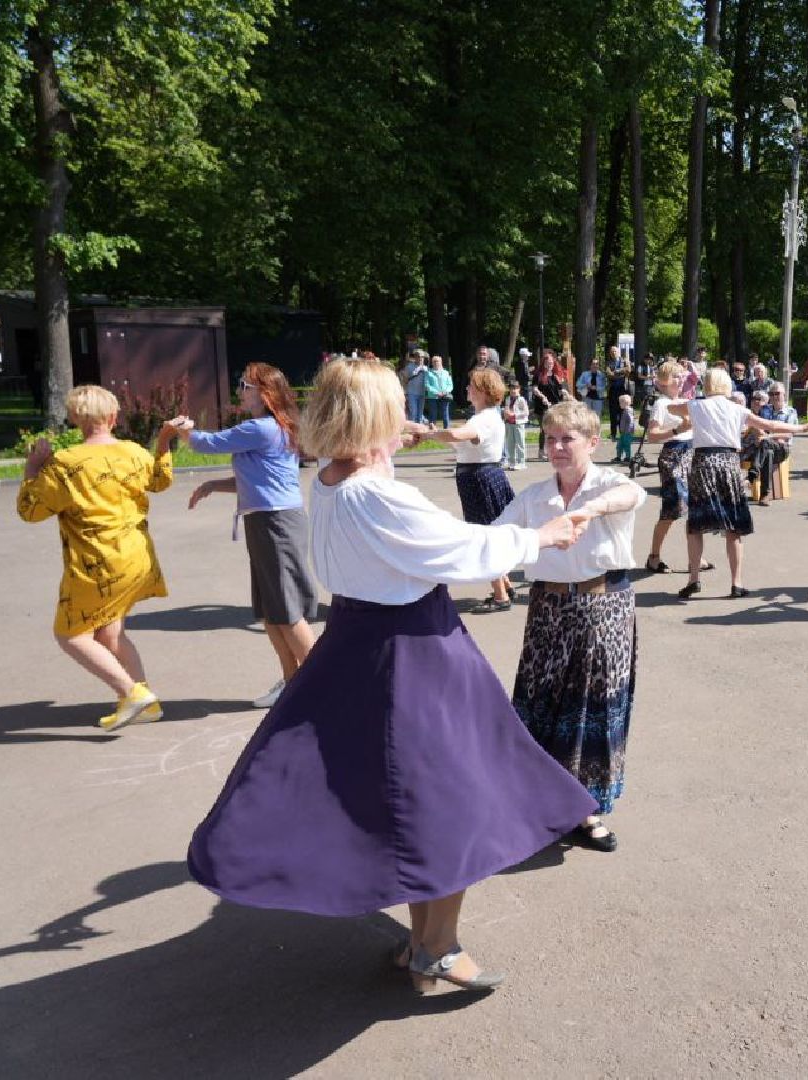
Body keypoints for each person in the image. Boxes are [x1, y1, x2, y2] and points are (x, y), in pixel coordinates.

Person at [187, 359, 595, 995]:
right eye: (392, 407)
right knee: (455, 800)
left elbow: (397, 514)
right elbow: (460, 550)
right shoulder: (375, 494)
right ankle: (438, 945)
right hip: (412, 651)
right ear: (372, 418)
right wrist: (539, 535)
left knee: (413, 805)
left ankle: (425, 942)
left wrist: (386, 443)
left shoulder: (331, 478)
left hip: (361, 645)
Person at [497, 400, 646, 854]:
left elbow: (633, 496)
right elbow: (496, 536)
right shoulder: (534, 496)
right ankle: (537, 801)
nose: (558, 447)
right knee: (539, 704)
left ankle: (586, 809)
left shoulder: (611, 485)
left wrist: (590, 508)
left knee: (590, 710)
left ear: (592, 442)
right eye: (551, 439)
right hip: (547, 609)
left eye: (568, 439)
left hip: (604, 606)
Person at [16, 386, 186, 731]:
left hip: (97, 565)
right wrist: (165, 441)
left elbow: (30, 511)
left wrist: (32, 469)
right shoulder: (134, 452)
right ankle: (146, 702)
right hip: (137, 559)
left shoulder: (65, 464)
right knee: (110, 634)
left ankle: (130, 692)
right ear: (113, 417)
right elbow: (161, 480)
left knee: (71, 635)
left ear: (76, 419)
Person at [180, 363, 319, 708]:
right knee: (272, 610)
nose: (240, 390)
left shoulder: (261, 428)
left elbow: (206, 443)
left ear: (265, 393)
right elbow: (258, 480)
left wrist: (183, 429)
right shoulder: (270, 429)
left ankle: (321, 683)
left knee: (286, 610)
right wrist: (215, 485)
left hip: (276, 524)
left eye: (245, 385)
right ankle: (291, 682)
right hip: (265, 521)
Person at [665, 367, 808, 599]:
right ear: (726, 385)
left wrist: (685, 400)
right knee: (734, 527)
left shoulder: (696, 405)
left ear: (706, 385)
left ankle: (694, 579)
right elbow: (770, 426)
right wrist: (802, 427)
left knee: (695, 525)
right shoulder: (736, 408)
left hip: (703, 464)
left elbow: (670, 407)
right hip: (728, 463)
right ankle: (736, 583)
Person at [420, 367, 516, 613]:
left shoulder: (482, 419)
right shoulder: (487, 416)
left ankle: (500, 596)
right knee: (492, 532)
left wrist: (430, 434)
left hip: (479, 478)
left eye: (471, 386)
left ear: (483, 391)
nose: (467, 389)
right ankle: (505, 583)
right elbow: (462, 445)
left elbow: (455, 434)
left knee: (484, 536)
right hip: (481, 475)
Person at [642, 361, 700, 574]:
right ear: (663, 382)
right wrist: (677, 430)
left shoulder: (686, 401)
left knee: (694, 509)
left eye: (680, 375)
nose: (679, 379)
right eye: (674, 376)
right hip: (672, 456)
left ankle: (696, 557)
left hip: (691, 454)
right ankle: (654, 556)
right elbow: (652, 436)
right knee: (672, 510)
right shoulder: (661, 404)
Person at [754, 382, 798, 503]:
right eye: (771, 394)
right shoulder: (765, 409)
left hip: (782, 449)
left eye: (777, 393)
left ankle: (755, 469)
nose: (774, 396)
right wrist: (761, 434)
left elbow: (788, 435)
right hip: (766, 448)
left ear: (784, 394)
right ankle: (765, 495)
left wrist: (768, 436)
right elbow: (757, 425)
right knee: (768, 452)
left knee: (766, 443)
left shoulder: (790, 412)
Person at [500, 375, 529, 470]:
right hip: (509, 423)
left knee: (520, 443)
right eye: (512, 389)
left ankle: (522, 462)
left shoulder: (521, 400)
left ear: (519, 389)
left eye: (515, 389)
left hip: (518, 423)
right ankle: (511, 461)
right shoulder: (508, 398)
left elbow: (526, 412)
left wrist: (514, 414)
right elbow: (507, 409)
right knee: (510, 443)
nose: (513, 391)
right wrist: (505, 413)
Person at [423, 355, 454, 429]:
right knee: (433, 414)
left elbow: (450, 385)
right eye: (434, 361)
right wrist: (437, 392)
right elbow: (427, 385)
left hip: (445, 396)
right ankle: (432, 431)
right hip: (432, 397)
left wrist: (445, 392)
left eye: (438, 361)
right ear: (432, 363)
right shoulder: (428, 373)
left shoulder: (446, 372)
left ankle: (447, 430)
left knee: (445, 414)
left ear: (441, 362)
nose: (436, 363)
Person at [402, 350, 429, 424]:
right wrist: (414, 374)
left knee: (420, 414)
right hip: (412, 393)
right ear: (415, 357)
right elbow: (404, 380)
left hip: (422, 393)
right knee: (413, 412)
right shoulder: (409, 367)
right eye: (418, 357)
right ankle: (412, 431)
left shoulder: (426, 368)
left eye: (422, 357)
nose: (420, 358)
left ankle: (419, 432)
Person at [611, 394, 637, 465]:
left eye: (620, 403)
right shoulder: (624, 411)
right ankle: (618, 457)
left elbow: (630, 421)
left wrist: (628, 430)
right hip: (623, 432)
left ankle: (628, 457)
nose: (619, 404)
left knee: (626, 445)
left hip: (627, 432)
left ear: (625, 403)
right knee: (619, 445)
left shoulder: (628, 411)